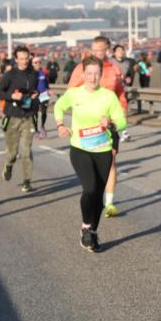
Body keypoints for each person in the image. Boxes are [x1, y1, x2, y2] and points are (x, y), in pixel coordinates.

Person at [54, 56, 129, 253]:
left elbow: (122, 121)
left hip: (103, 150)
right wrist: (60, 124)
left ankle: (92, 232)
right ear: (83, 74)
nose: (93, 78)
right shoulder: (74, 93)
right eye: (89, 74)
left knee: (98, 196)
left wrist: (111, 123)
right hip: (80, 148)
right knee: (90, 188)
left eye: (96, 74)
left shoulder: (108, 96)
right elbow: (58, 106)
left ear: (101, 75)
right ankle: (86, 225)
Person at [69, 36, 127, 217]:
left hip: (109, 125)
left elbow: (120, 95)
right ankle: (94, 194)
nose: (96, 53)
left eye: (100, 49)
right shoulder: (81, 69)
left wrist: (121, 117)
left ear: (108, 50)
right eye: (94, 49)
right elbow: (70, 93)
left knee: (111, 160)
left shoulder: (114, 69)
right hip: (87, 127)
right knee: (93, 166)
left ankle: (109, 203)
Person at [0, 46, 40, 193]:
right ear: (16, 59)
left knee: (27, 151)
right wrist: (11, 96)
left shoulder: (34, 74)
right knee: (12, 153)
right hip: (12, 116)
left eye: (26, 58)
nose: (24, 61)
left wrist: (35, 94)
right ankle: (8, 165)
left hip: (28, 116)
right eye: (21, 59)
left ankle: (26, 182)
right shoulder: (10, 75)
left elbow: (35, 90)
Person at [33, 55, 51, 138]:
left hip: (43, 94)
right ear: (33, 64)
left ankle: (42, 126)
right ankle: (36, 129)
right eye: (36, 62)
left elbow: (47, 83)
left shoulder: (43, 72)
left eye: (39, 62)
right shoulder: (31, 74)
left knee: (44, 112)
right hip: (35, 95)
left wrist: (48, 90)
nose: (38, 64)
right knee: (35, 113)